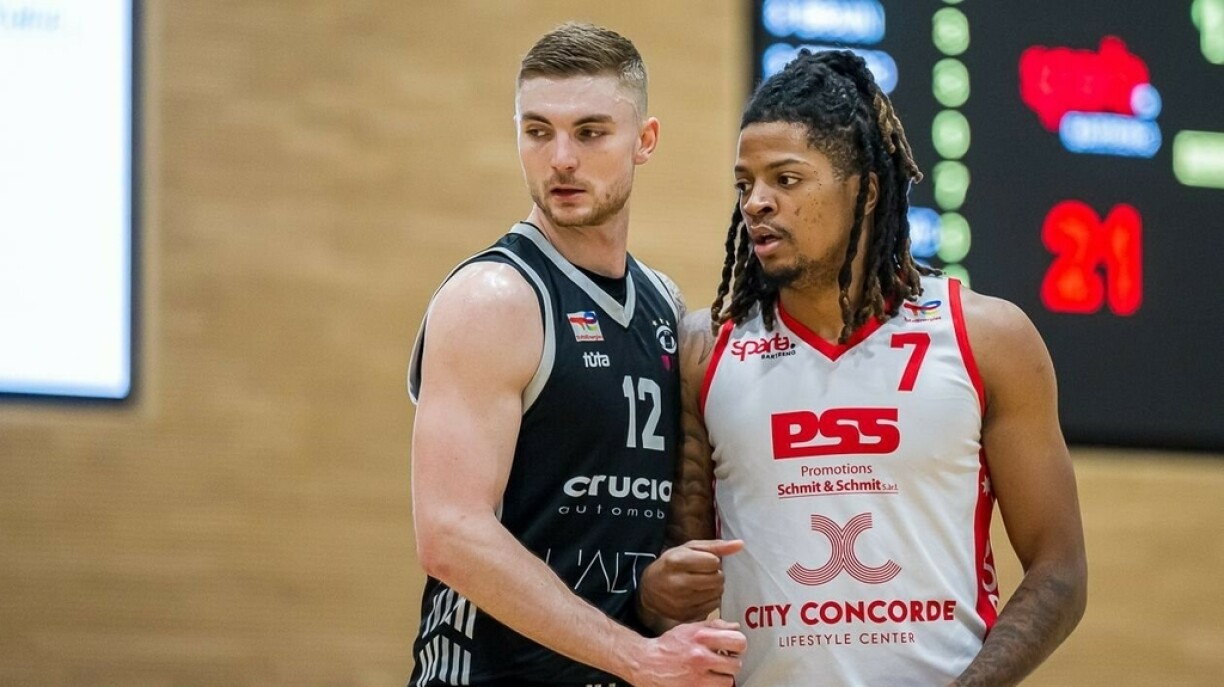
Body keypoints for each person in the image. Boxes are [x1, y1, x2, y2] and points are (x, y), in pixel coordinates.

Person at [638, 49, 1088, 686]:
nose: (757, 202)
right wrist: (655, 596)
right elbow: (678, 592)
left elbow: (1060, 571)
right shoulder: (704, 349)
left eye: (786, 179)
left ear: (867, 190)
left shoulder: (988, 338)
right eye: (745, 184)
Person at [406, 22, 745, 687]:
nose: (561, 158)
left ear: (645, 140)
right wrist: (639, 656)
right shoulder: (495, 298)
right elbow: (450, 534)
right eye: (538, 132)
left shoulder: (663, 305)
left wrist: (656, 598)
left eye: (590, 133)